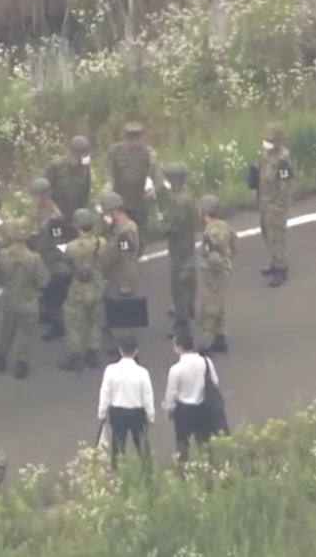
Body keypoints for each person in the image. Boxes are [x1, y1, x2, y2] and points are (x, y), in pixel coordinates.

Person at [0, 218, 50, 379]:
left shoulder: (3, 255)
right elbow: (43, 280)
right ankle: (22, 362)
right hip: (29, 301)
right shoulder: (34, 258)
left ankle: (1, 356)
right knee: (27, 334)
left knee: (6, 331)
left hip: (8, 299)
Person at [60, 208, 107, 371]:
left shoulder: (72, 247)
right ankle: (93, 352)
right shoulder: (102, 243)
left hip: (79, 289)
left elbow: (66, 262)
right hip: (97, 286)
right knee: (95, 320)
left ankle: (76, 355)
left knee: (73, 321)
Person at [97, 335, 154, 468]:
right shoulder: (142, 372)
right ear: (136, 351)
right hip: (137, 413)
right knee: (141, 443)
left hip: (117, 412)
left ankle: (117, 472)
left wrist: (102, 413)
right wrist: (150, 416)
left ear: (120, 350)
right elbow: (147, 396)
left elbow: (105, 392)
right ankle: (147, 470)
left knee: (118, 445)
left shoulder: (110, 370)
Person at [162, 331, 219, 463]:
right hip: (203, 406)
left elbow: (171, 392)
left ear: (178, 347)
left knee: (182, 441)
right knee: (204, 440)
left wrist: (168, 409)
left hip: (183, 409)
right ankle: (208, 466)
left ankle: (183, 468)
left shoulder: (176, 369)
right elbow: (214, 381)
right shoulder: (206, 362)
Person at [106, 122, 160, 254]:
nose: (134, 142)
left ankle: (137, 254)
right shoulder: (115, 152)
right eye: (130, 139)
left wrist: (153, 187)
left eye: (137, 138)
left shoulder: (148, 153)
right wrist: (109, 193)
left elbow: (156, 173)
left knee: (139, 233)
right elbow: (109, 173)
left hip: (140, 201)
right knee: (119, 233)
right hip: (121, 202)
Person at [28, 178, 71, 342]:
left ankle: (58, 324)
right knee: (46, 292)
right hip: (42, 257)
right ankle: (49, 314)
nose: (32, 199)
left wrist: (56, 264)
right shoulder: (38, 211)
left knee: (54, 294)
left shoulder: (54, 219)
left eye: (34, 196)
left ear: (43, 197)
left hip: (53, 263)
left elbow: (59, 244)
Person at [159, 163, 198, 336]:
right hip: (187, 240)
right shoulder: (187, 195)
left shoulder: (177, 201)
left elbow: (174, 225)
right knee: (189, 274)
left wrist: (161, 225)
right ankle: (188, 307)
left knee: (179, 281)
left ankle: (181, 321)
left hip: (179, 243)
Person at [197, 195, 237, 353]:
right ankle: (220, 338)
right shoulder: (225, 226)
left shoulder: (209, 235)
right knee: (219, 305)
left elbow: (213, 257)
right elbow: (234, 245)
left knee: (208, 310)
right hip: (224, 273)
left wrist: (215, 268)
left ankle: (205, 345)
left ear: (204, 212)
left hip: (212, 276)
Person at [257, 123, 294, 287]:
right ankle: (274, 261)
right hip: (265, 201)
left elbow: (285, 187)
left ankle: (281, 268)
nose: (266, 142)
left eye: (270, 140)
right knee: (267, 233)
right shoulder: (266, 155)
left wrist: (279, 206)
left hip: (276, 205)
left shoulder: (282, 161)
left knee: (277, 237)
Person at [100, 192, 140, 297]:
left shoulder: (126, 232)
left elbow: (118, 254)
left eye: (107, 213)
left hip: (124, 283)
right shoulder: (118, 229)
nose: (106, 217)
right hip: (118, 278)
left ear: (115, 212)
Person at [45, 135, 93, 220]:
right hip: (56, 216)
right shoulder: (56, 168)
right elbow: (44, 192)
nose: (80, 163)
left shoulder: (85, 169)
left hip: (75, 217)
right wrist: (53, 209)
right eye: (78, 159)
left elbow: (85, 194)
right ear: (71, 154)